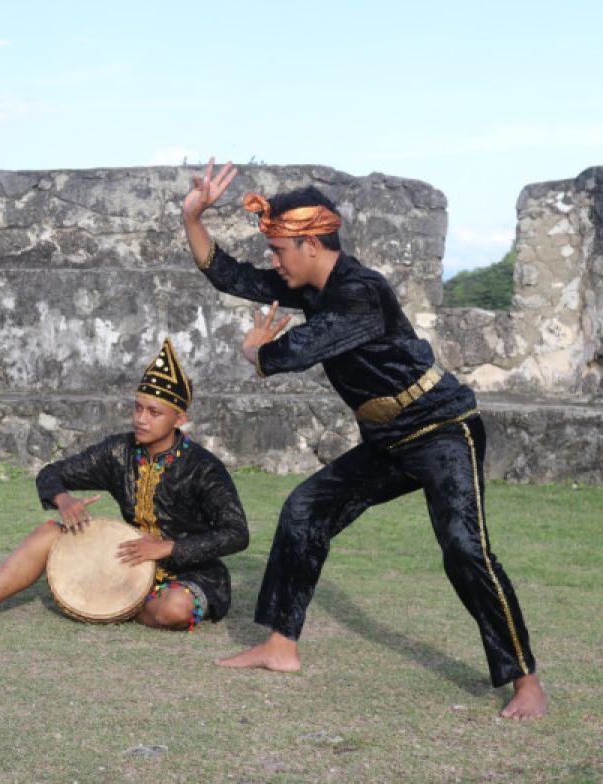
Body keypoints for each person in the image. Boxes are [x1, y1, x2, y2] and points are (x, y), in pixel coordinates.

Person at [181, 159, 547, 719]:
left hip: (442, 429)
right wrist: (192, 217)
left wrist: (256, 351)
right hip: (387, 438)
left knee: (463, 547)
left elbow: (293, 353)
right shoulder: (312, 286)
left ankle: (524, 679)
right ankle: (281, 646)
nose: (273, 263)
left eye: (279, 252)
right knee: (306, 509)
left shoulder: (361, 293)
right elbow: (231, 277)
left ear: (308, 244)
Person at [0, 339, 249, 631]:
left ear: (179, 419)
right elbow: (50, 473)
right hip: (130, 558)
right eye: (137, 407)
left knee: (176, 609)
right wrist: (63, 500)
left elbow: (237, 533)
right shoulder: (119, 452)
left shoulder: (204, 468)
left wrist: (168, 548)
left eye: (153, 412)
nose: (140, 418)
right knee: (49, 531)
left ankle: (116, 604)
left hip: (189, 574)